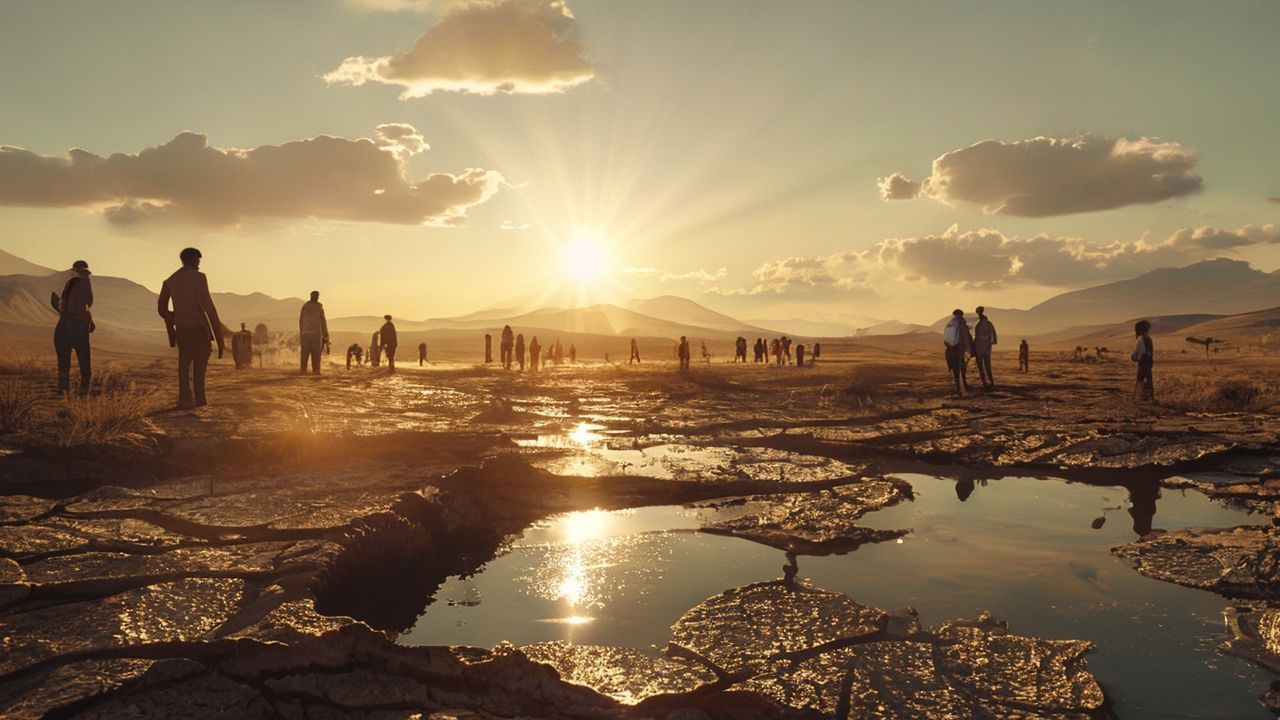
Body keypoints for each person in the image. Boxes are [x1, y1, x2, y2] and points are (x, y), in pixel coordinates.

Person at [158, 247, 224, 408]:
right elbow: (209, 307)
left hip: (181, 328)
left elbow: (162, 308)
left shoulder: (170, 280)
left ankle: (184, 400)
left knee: (184, 364)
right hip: (199, 327)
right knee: (199, 367)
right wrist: (220, 340)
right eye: (198, 260)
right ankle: (200, 401)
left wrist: (173, 318)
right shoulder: (199, 278)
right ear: (192, 260)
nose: (199, 264)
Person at [50, 259, 94, 395]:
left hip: (65, 323)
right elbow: (88, 303)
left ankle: (63, 390)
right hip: (79, 324)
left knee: (64, 360)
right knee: (84, 358)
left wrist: (63, 313)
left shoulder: (67, 282)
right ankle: (83, 390)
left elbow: (53, 299)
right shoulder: (84, 282)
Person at [942, 309, 972, 396]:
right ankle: (963, 386)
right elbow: (966, 339)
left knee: (956, 369)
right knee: (961, 368)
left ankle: (959, 387)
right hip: (959, 349)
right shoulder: (961, 325)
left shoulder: (950, 324)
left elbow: (945, 340)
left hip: (951, 349)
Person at [298, 291, 329, 375]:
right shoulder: (319, 307)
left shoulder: (305, 306)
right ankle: (315, 370)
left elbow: (300, 321)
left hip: (305, 333)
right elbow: (323, 322)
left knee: (305, 352)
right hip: (315, 333)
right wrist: (326, 336)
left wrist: (301, 333)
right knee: (315, 352)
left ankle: (303, 370)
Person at [972, 306, 997, 390]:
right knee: (985, 365)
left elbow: (992, 336)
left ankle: (987, 382)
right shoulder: (985, 323)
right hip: (983, 347)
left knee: (983, 365)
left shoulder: (985, 323)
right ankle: (988, 381)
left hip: (983, 347)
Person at [1131, 319, 1154, 401]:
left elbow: (1135, 354)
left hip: (1144, 362)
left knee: (1141, 379)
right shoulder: (1146, 339)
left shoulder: (1142, 339)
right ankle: (1146, 397)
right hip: (1146, 362)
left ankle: (1141, 396)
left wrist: (1135, 357)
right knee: (1146, 379)